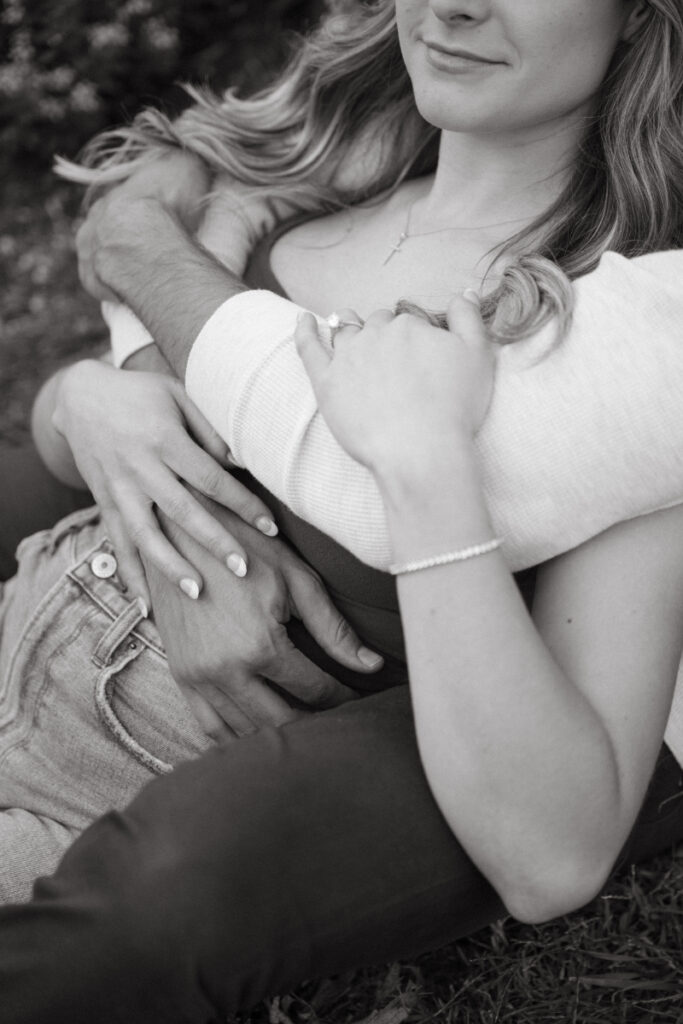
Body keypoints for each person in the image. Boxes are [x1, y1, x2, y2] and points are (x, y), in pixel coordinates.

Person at [1, 0, 683, 1019]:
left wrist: (424, 468)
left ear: (636, 17)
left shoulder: (596, 354)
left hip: (89, 802)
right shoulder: (282, 204)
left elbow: (560, 828)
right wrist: (87, 402)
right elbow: (89, 426)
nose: (453, 6)